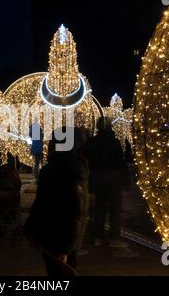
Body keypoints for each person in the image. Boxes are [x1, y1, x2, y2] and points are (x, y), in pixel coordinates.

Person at [25, 127, 89, 276]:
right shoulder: (56, 168)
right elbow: (41, 202)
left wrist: (65, 248)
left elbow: (76, 212)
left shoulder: (70, 170)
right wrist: (31, 228)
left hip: (60, 242)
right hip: (51, 239)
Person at [83, 117, 130, 248]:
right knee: (115, 208)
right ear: (110, 127)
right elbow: (121, 160)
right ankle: (114, 238)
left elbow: (85, 156)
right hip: (113, 176)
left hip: (97, 176)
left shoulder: (92, 142)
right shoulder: (114, 142)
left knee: (100, 207)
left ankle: (98, 236)